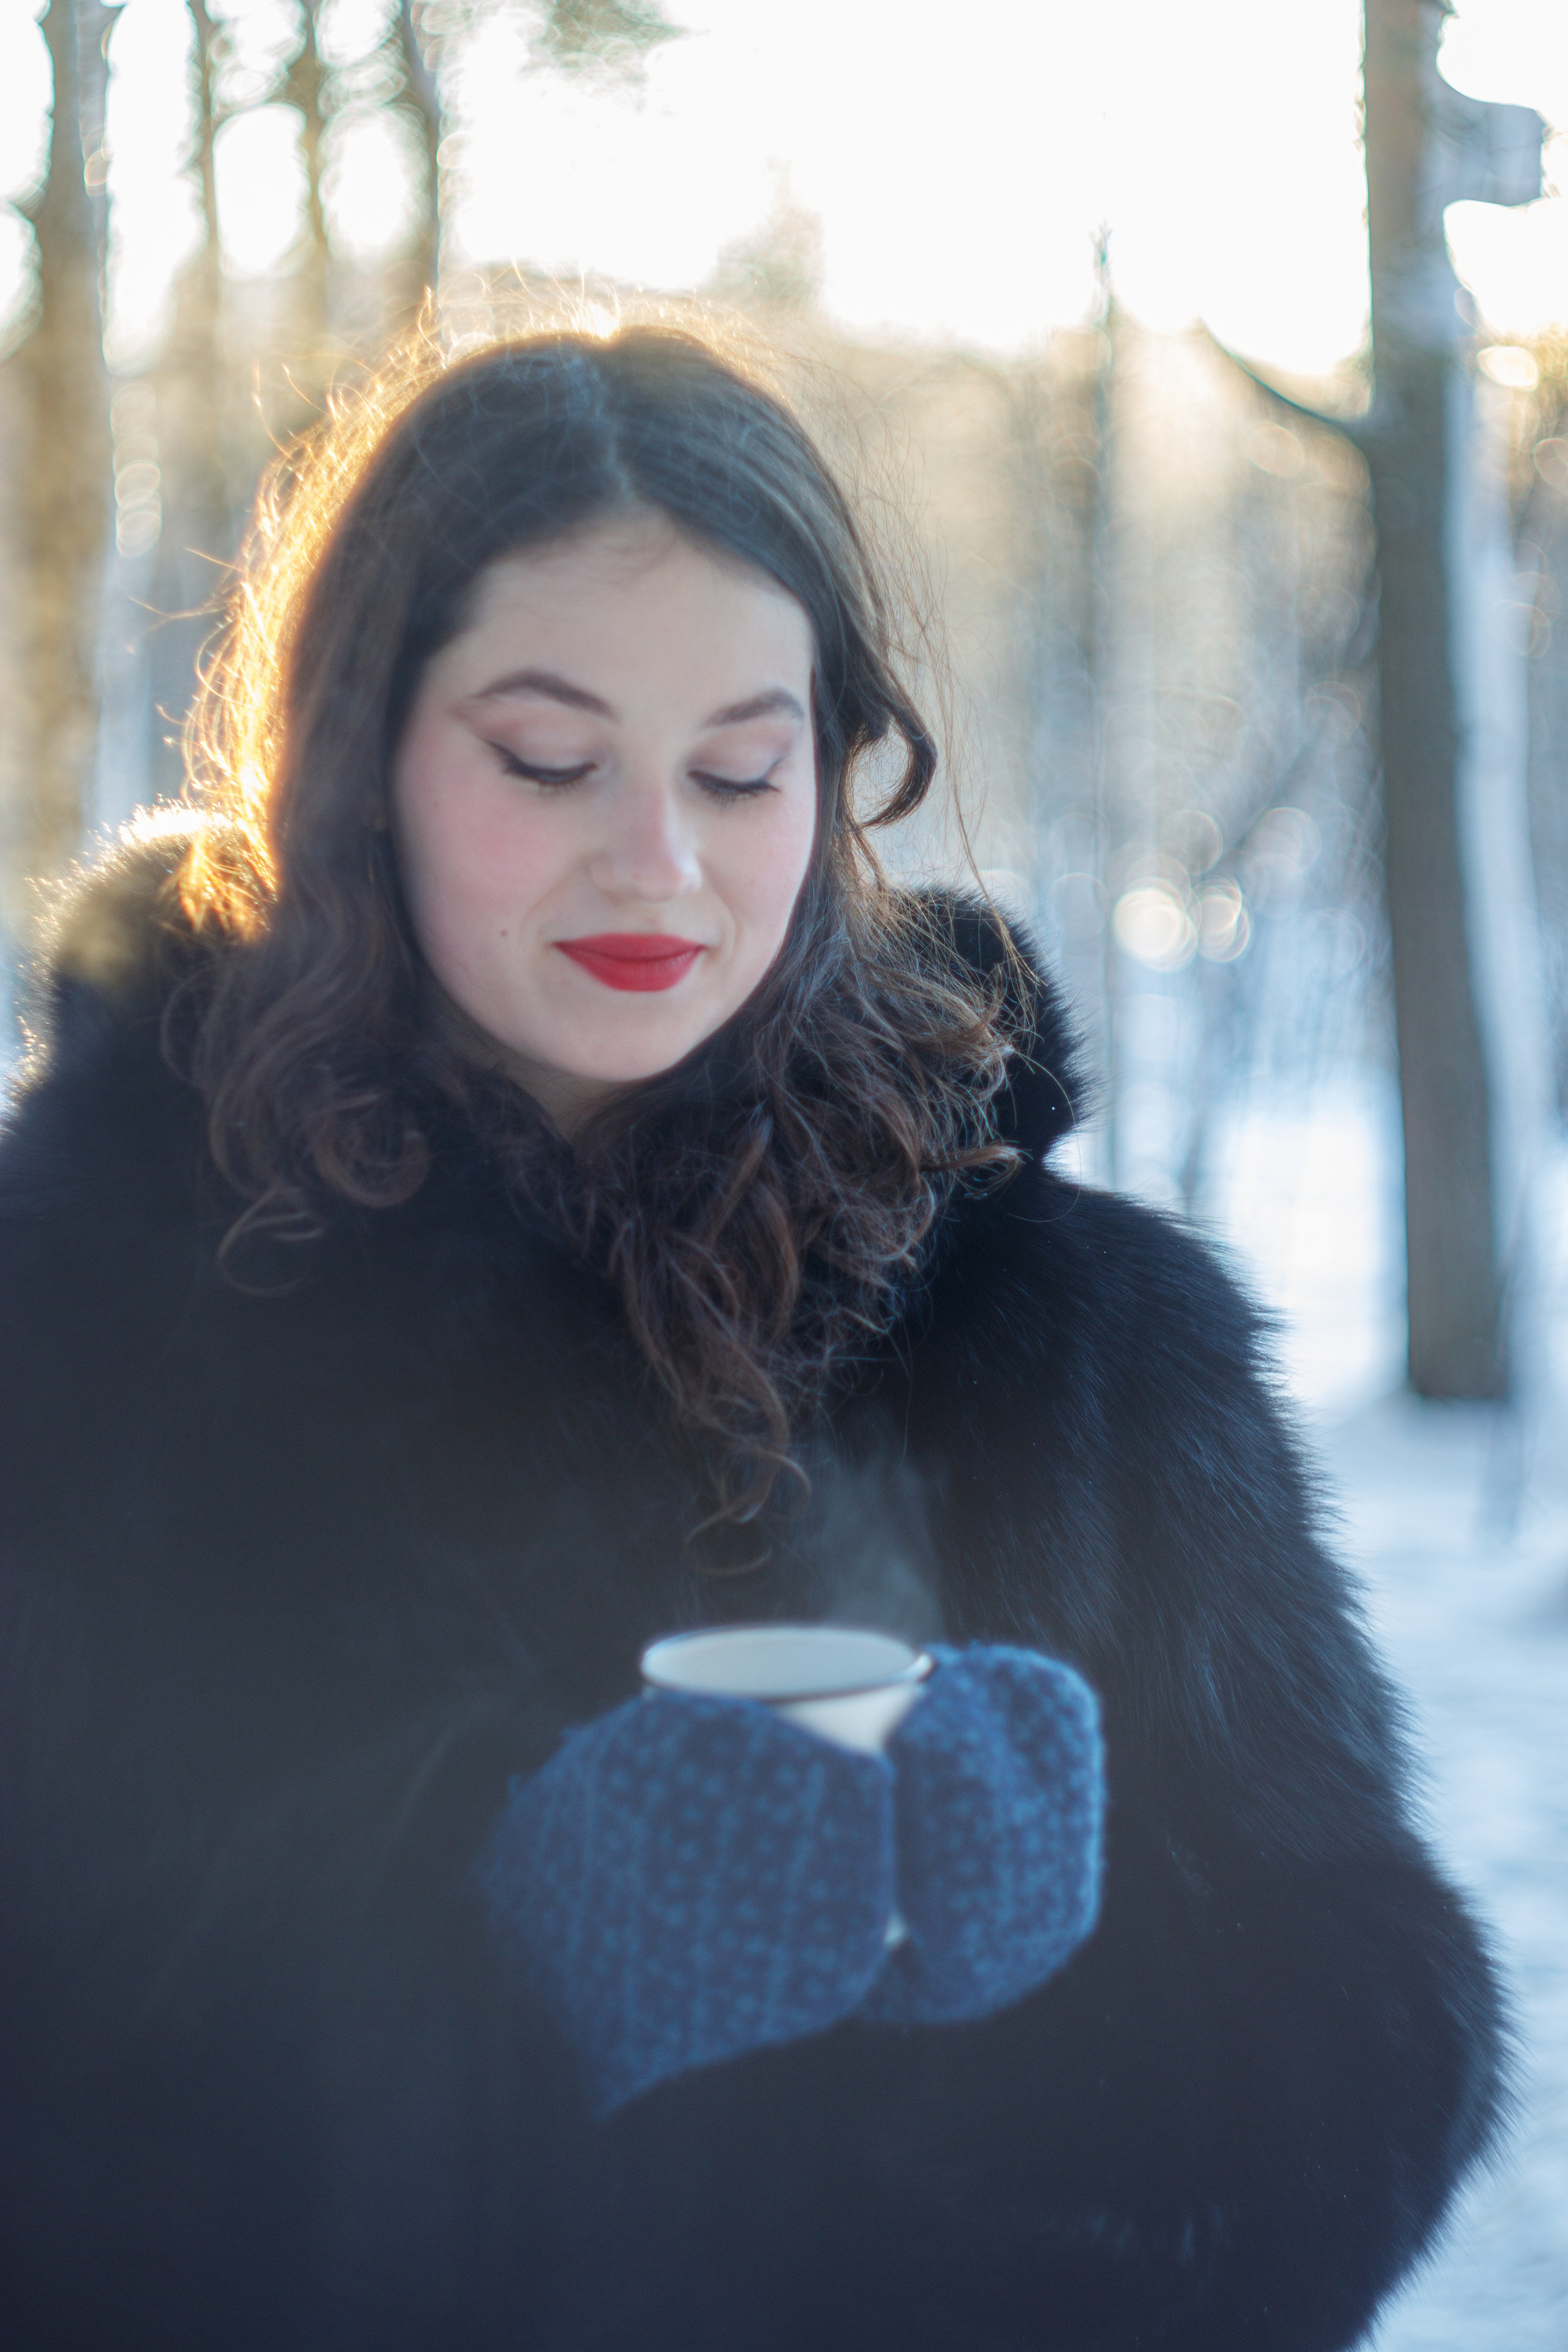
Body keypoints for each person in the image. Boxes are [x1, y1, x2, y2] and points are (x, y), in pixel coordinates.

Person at [0, 325, 1504, 2352]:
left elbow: (1381, 2043)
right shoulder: (87, 1329)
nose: (665, 861)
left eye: (740, 763)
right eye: (549, 762)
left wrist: (1051, 2033)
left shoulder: (1062, 1332)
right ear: (357, 763)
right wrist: (502, 1968)